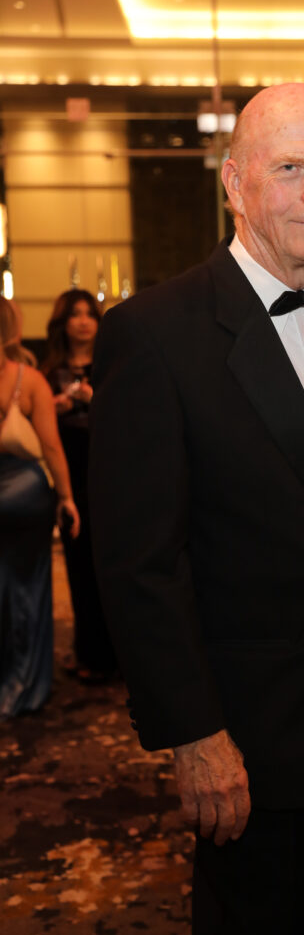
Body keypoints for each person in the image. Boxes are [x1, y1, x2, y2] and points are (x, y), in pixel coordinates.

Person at [88, 83, 304, 935]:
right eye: (290, 167)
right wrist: (194, 734)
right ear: (234, 181)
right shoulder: (154, 333)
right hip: (257, 739)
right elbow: (139, 564)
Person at [0, 296, 80, 720]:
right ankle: (25, 688)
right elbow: (50, 446)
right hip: (26, 495)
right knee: (28, 588)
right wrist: (67, 498)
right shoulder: (28, 380)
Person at [43, 288, 117, 683]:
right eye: (75, 313)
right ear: (63, 322)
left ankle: (119, 654)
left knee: (113, 562)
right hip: (69, 474)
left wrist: (95, 399)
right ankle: (88, 652)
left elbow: (132, 415)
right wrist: (52, 408)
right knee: (78, 561)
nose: (84, 320)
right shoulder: (47, 371)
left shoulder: (111, 364)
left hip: (108, 470)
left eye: (90, 313)